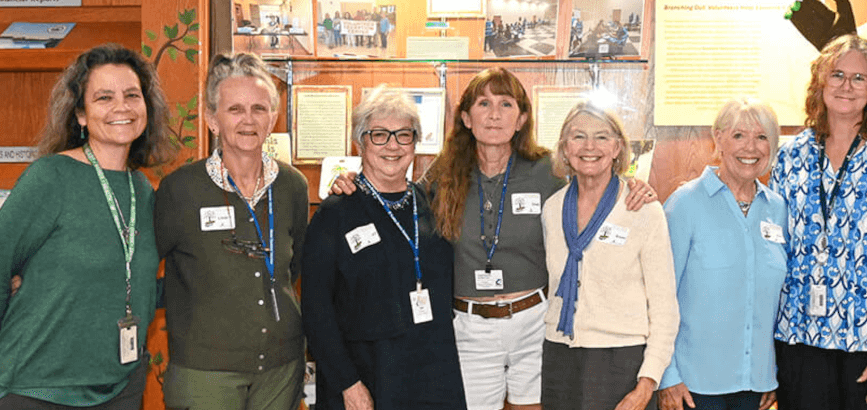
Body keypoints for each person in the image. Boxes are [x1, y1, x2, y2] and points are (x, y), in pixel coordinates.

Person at [328, 68, 658, 410]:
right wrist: (351, 180)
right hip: (471, 327)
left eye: (506, 103)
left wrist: (634, 185)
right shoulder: (444, 173)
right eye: (483, 103)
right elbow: (395, 194)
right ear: (467, 118)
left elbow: (595, 185)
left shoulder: (547, 169)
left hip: (534, 321)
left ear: (522, 119)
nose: (495, 114)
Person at [0, 43, 175, 409]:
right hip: (38, 389)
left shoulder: (142, 190)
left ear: (147, 106)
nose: (121, 107)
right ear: (80, 114)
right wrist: (3, 363)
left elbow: (133, 281)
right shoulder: (51, 177)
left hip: (119, 386)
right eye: (104, 97)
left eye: (131, 95)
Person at [768, 35, 867, 410]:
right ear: (820, 83)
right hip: (799, 341)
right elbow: (770, 246)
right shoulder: (789, 156)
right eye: (837, 74)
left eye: (860, 78)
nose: (846, 86)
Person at [155, 53, 309, 410]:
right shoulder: (180, 190)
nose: (248, 120)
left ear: (273, 118)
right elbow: (145, 269)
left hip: (281, 369)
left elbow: (294, 267)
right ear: (212, 119)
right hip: (205, 373)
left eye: (259, 108)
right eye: (235, 109)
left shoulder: (292, 186)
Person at [303, 91, 466, 410]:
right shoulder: (334, 214)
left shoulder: (433, 205)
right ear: (359, 143)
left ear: (415, 143)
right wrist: (348, 384)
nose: (393, 146)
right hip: (367, 376)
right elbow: (316, 309)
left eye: (404, 135)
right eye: (379, 135)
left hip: (432, 374)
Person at [540, 102, 678, 410]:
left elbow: (665, 308)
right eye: (578, 137)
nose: (590, 147)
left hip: (622, 361)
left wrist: (648, 383)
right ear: (564, 147)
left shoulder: (643, 209)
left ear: (617, 147)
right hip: (560, 356)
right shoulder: (552, 209)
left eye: (602, 137)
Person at [658, 98, 787, 410]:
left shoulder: (778, 208)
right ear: (718, 138)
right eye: (739, 135)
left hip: (755, 385)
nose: (751, 148)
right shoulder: (685, 204)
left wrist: (772, 372)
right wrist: (666, 375)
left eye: (762, 137)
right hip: (692, 385)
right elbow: (659, 296)